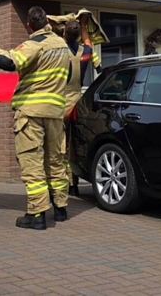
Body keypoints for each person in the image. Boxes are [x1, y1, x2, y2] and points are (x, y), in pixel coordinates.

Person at [0, 6, 71, 230]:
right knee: (55, 161)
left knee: (32, 162)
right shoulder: (61, 45)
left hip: (31, 113)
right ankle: (61, 208)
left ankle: (36, 215)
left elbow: (7, 62)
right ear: (46, 21)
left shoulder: (33, 45)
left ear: (28, 25)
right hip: (55, 113)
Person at [60, 19, 92, 198]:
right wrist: (84, 25)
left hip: (61, 102)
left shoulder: (59, 51)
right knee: (75, 144)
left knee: (61, 146)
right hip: (77, 102)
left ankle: (64, 183)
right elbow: (88, 43)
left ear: (64, 34)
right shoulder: (85, 53)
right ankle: (75, 184)